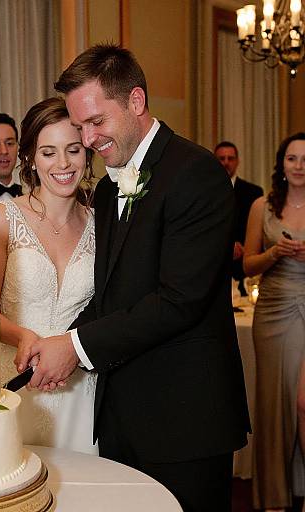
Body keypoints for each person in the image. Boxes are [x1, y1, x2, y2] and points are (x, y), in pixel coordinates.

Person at [18, 44, 250, 512]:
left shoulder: (195, 172)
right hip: (121, 416)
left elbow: (179, 300)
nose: (86, 139)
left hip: (185, 418)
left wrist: (76, 347)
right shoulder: (106, 188)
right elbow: (111, 293)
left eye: (96, 122)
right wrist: (60, 340)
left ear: (136, 102)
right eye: (80, 125)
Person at [0, 97, 97, 454]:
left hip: (81, 391)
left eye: (73, 150)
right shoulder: (1, 218)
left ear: (87, 153)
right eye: (48, 152)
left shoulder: (101, 225)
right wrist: (22, 335)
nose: (63, 164)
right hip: (16, 384)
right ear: (29, 157)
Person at [243, 132, 305, 511]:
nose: (300, 166)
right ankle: (275, 497)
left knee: (302, 402)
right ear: (281, 164)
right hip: (273, 310)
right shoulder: (261, 207)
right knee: (272, 405)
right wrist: (273, 253)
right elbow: (248, 265)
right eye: (293, 158)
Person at [214, 141, 263, 295]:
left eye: (230, 158)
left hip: (243, 268)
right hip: (213, 267)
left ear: (237, 161)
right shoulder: (204, 191)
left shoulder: (253, 192)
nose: (226, 162)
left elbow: (257, 230)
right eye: (222, 158)